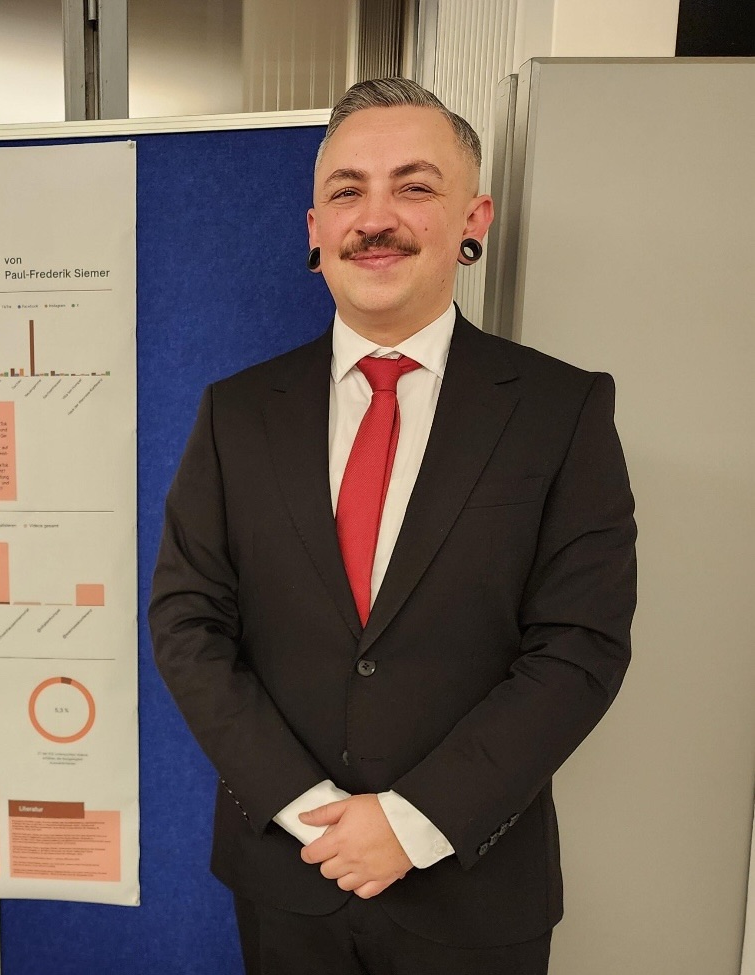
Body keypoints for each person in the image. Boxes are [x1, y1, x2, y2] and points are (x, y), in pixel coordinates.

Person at [148, 77, 636, 975]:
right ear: (314, 231)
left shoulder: (560, 412)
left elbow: (580, 647)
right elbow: (187, 625)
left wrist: (412, 822)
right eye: (348, 191)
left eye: (415, 186)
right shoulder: (237, 413)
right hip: (288, 872)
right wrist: (309, 808)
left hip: (473, 888)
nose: (378, 217)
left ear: (471, 218)